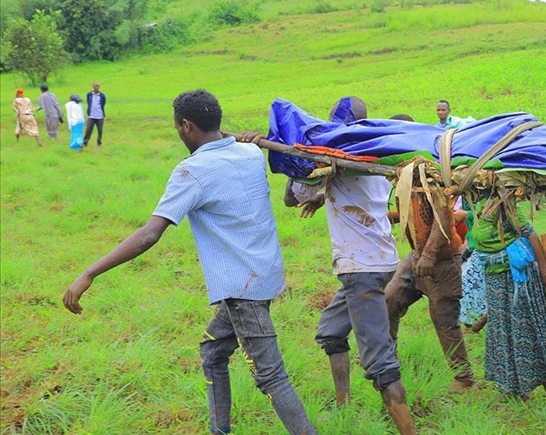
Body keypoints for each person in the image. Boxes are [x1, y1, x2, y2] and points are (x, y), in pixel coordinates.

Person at [62, 89, 317, 435]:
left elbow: (151, 234)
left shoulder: (192, 171)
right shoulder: (251, 153)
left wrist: (90, 272)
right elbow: (238, 145)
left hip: (244, 289)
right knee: (213, 353)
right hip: (262, 274)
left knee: (272, 377)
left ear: (186, 126)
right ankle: (219, 430)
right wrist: (246, 139)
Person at [282, 96, 417, 434]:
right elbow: (354, 186)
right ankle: (343, 406)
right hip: (380, 261)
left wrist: (298, 156)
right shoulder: (372, 153)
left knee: (380, 363)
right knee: (330, 333)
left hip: (361, 268)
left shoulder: (337, 154)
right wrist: (322, 195)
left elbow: (289, 197)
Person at [473, 194, 546, 409]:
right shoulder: (479, 203)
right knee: (504, 332)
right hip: (495, 279)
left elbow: (531, 235)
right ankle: (514, 389)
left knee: (527, 332)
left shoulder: (504, 205)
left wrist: (545, 275)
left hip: (517, 279)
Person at [384, 186, 475, 393]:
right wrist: (383, 217)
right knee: (389, 299)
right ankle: (386, 360)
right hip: (416, 257)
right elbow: (412, 214)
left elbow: (443, 220)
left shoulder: (433, 185)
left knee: (444, 320)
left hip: (443, 262)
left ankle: (464, 378)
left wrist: (429, 255)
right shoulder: (408, 184)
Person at [84, 82, 106, 147]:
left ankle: (99, 143)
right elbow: (89, 103)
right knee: (88, 130)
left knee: (100, 130)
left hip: (99, 115)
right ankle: (85, 142)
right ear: (93, 86)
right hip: (91, 115)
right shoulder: (89, 94)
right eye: (95, 86)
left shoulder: (102, 95)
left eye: (98, 86)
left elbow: (103, 103)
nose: (96, 87)